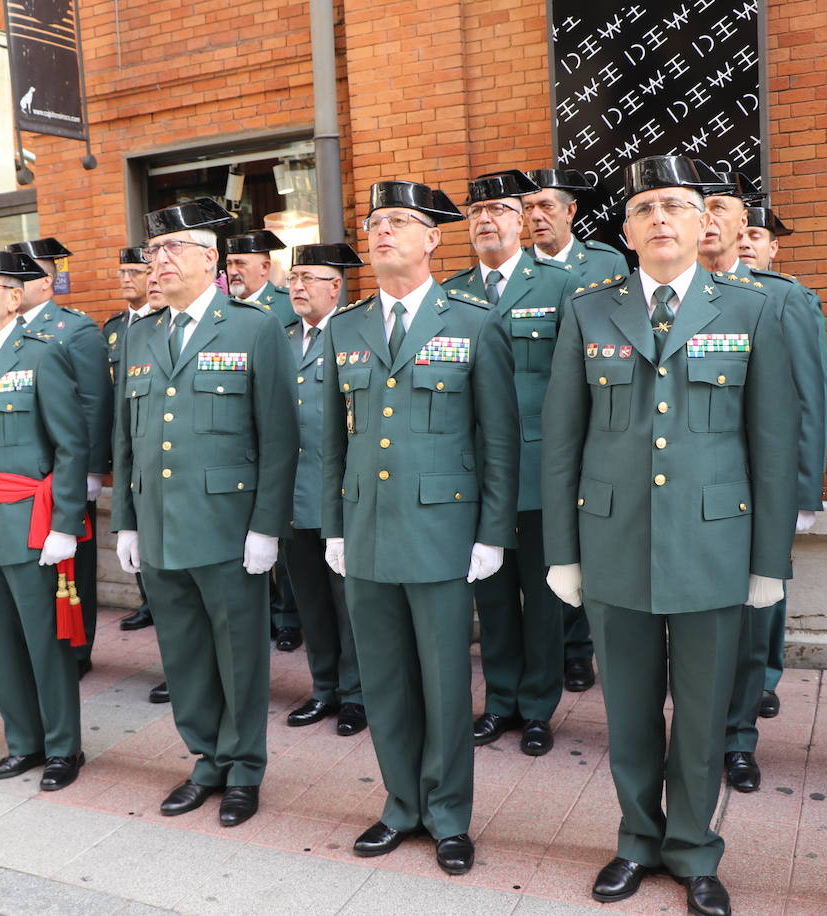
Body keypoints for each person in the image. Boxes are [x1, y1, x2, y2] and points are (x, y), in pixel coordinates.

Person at [541, 155, 799, 916]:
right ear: (625, 230)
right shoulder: (589, 311)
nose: (660, 218)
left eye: (677, 205)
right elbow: (561, 439)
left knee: (702, 712)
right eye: (645, 207)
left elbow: (772, 443)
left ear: (705, 222)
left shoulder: (752, 309)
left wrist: (769, 559)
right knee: (627, 711)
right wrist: (562, 551)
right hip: (614, 541)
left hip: (712, 545)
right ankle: (636, 840)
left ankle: (692, 847)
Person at [322, 180, 518, 875]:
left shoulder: (473, 322)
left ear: (433, 239)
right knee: (384, 681)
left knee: (443, 683)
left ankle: (449, 816)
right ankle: (401, 805)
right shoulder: (346, 327)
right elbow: (332, 442)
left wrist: (492, 533)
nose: (382, 231)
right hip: (367, 530)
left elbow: (499, 439)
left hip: (442, 532)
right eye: (375, 222)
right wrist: (334, 527)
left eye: (399, 221)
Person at [113, 197, 297, 828]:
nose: (158, 259)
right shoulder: (140, 332)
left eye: (172, 248)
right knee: (183, 652)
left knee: (239, 654)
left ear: (209, 257)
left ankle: (244, 768)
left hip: (227, 527)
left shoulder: (252, 327)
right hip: (161, 523)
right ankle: (206, 759)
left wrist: (266, 527)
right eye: (154, 249)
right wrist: (126, 519)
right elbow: (126, 436)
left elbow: (279, 436)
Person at [693, 174, 827, 795]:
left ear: (742, 224)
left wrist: (800, 494)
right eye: (699, 207)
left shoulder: (779, 299)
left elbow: (807, 402)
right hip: (677, 496)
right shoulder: (653, 300)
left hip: (749, 495)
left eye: (720, 208)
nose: (707, 218)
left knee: (750, 625)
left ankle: (737, 738)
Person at [442, 169, 578, 755]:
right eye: (475, 212)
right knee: (491, 595)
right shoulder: (450, 294)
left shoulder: (560, 285)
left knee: (543, 599)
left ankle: (538, 707)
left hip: (539, 472)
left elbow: (576, 384)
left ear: (522, 220)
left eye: (498, 209)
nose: (485, 220)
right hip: (475, 474)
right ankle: (500, 701)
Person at [0, 249, 90, 790]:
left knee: (45, 644)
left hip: (30, 524)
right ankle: (23, 743)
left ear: (14, 297)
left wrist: (65, 525)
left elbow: (70, 447)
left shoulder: (42, 354)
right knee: (1, 646)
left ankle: (63, 748)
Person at [523, 168, 630, 691]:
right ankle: (549, 648)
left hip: (595, 421)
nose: (536, 216)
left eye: (546, 206)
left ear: (571, 211)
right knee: (546, 546)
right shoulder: (516, 271)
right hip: (535, 429)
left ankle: (579, 648)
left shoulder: (606, 263)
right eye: (528, 208)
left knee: (584, 539)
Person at [7, 237, 112, 676]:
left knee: (73, 565)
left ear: (47, 282)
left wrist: (92, 470)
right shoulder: (3, 331)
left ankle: (77, 648)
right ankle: (38, 644)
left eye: (21, 276)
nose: (12, 285)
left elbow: (95, 402)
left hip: (63, 470)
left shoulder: (75, 329)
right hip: (19, 475)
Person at [281, 242, 366, 737]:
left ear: (336, 286)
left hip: (342, 495)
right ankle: (324, 688)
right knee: (310, 601)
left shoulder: (355, 332)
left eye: (308, 278)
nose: (297, 286)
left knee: (349, 603)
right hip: (294, 495)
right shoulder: (283, 338)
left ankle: (356, 695)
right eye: (293, 278)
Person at [225, 228, 304, 652]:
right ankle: (264, 610)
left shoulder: (284, 307)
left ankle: (287, 617)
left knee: (280, 529)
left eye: (241, 263)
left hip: (276, 428)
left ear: (265, 267)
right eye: (229, 264)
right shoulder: (222, 310)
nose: (233, 271)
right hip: (237, 441)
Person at [104, 247, 156, 633]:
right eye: (122, 272)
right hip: (130, 445)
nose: (126, 279)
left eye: (135, 271)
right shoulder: (115, 329)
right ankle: (147, 600)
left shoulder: (161, 323)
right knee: (136, 531)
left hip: (160, 443)